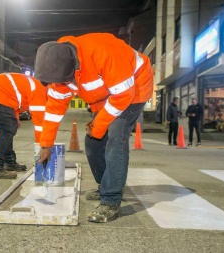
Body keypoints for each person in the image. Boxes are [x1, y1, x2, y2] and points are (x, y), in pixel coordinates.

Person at [33, 33, 153, 223]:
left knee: (115, 134)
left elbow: (122, 96)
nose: (62, 85)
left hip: (134, 88)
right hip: (107, 95)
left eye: (64, 82)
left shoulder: (104, 53)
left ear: (74, 65)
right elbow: (54, 110)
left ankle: (111, 201)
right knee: (92, 141)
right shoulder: (58, 64)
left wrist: (98, 126)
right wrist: (46, 144)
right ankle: (103, 186)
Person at [0, 73, 48, 179]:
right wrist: (43, 147)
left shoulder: (38, 85)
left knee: (8, 129)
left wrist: (16, 117)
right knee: (8, 130)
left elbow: (14, 95)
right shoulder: (40, 91)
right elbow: (39, 125)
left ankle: (9, 162)